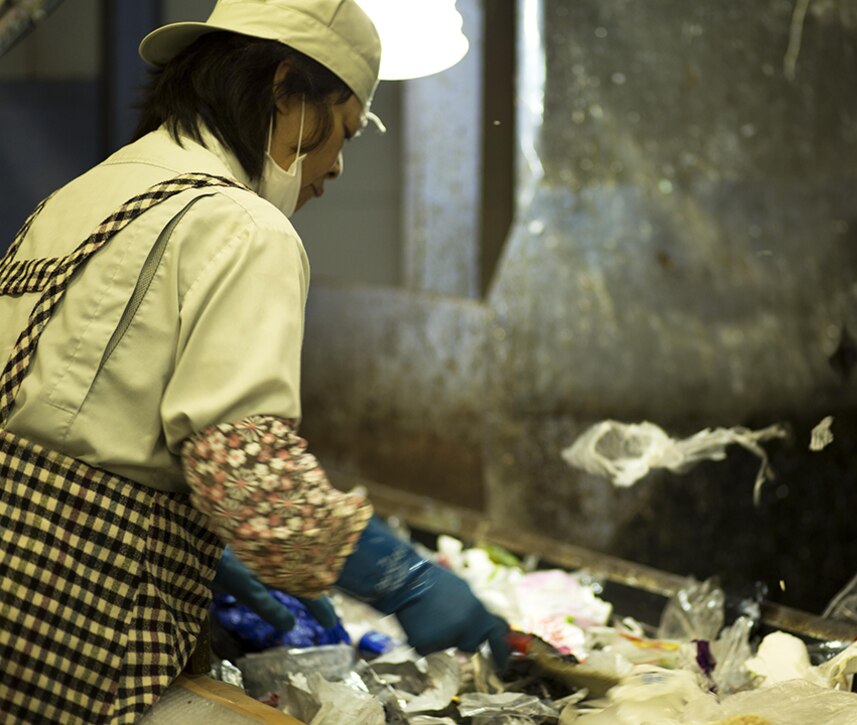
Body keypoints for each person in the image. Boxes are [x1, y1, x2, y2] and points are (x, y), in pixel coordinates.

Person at [0, 1, 508, 722]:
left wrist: (203, 541)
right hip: (71, 627)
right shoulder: (244, 224)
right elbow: (250, 478)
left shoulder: (83, 194)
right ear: (285, 90)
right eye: (346, 130)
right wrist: (405, 579)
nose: (337, 165)